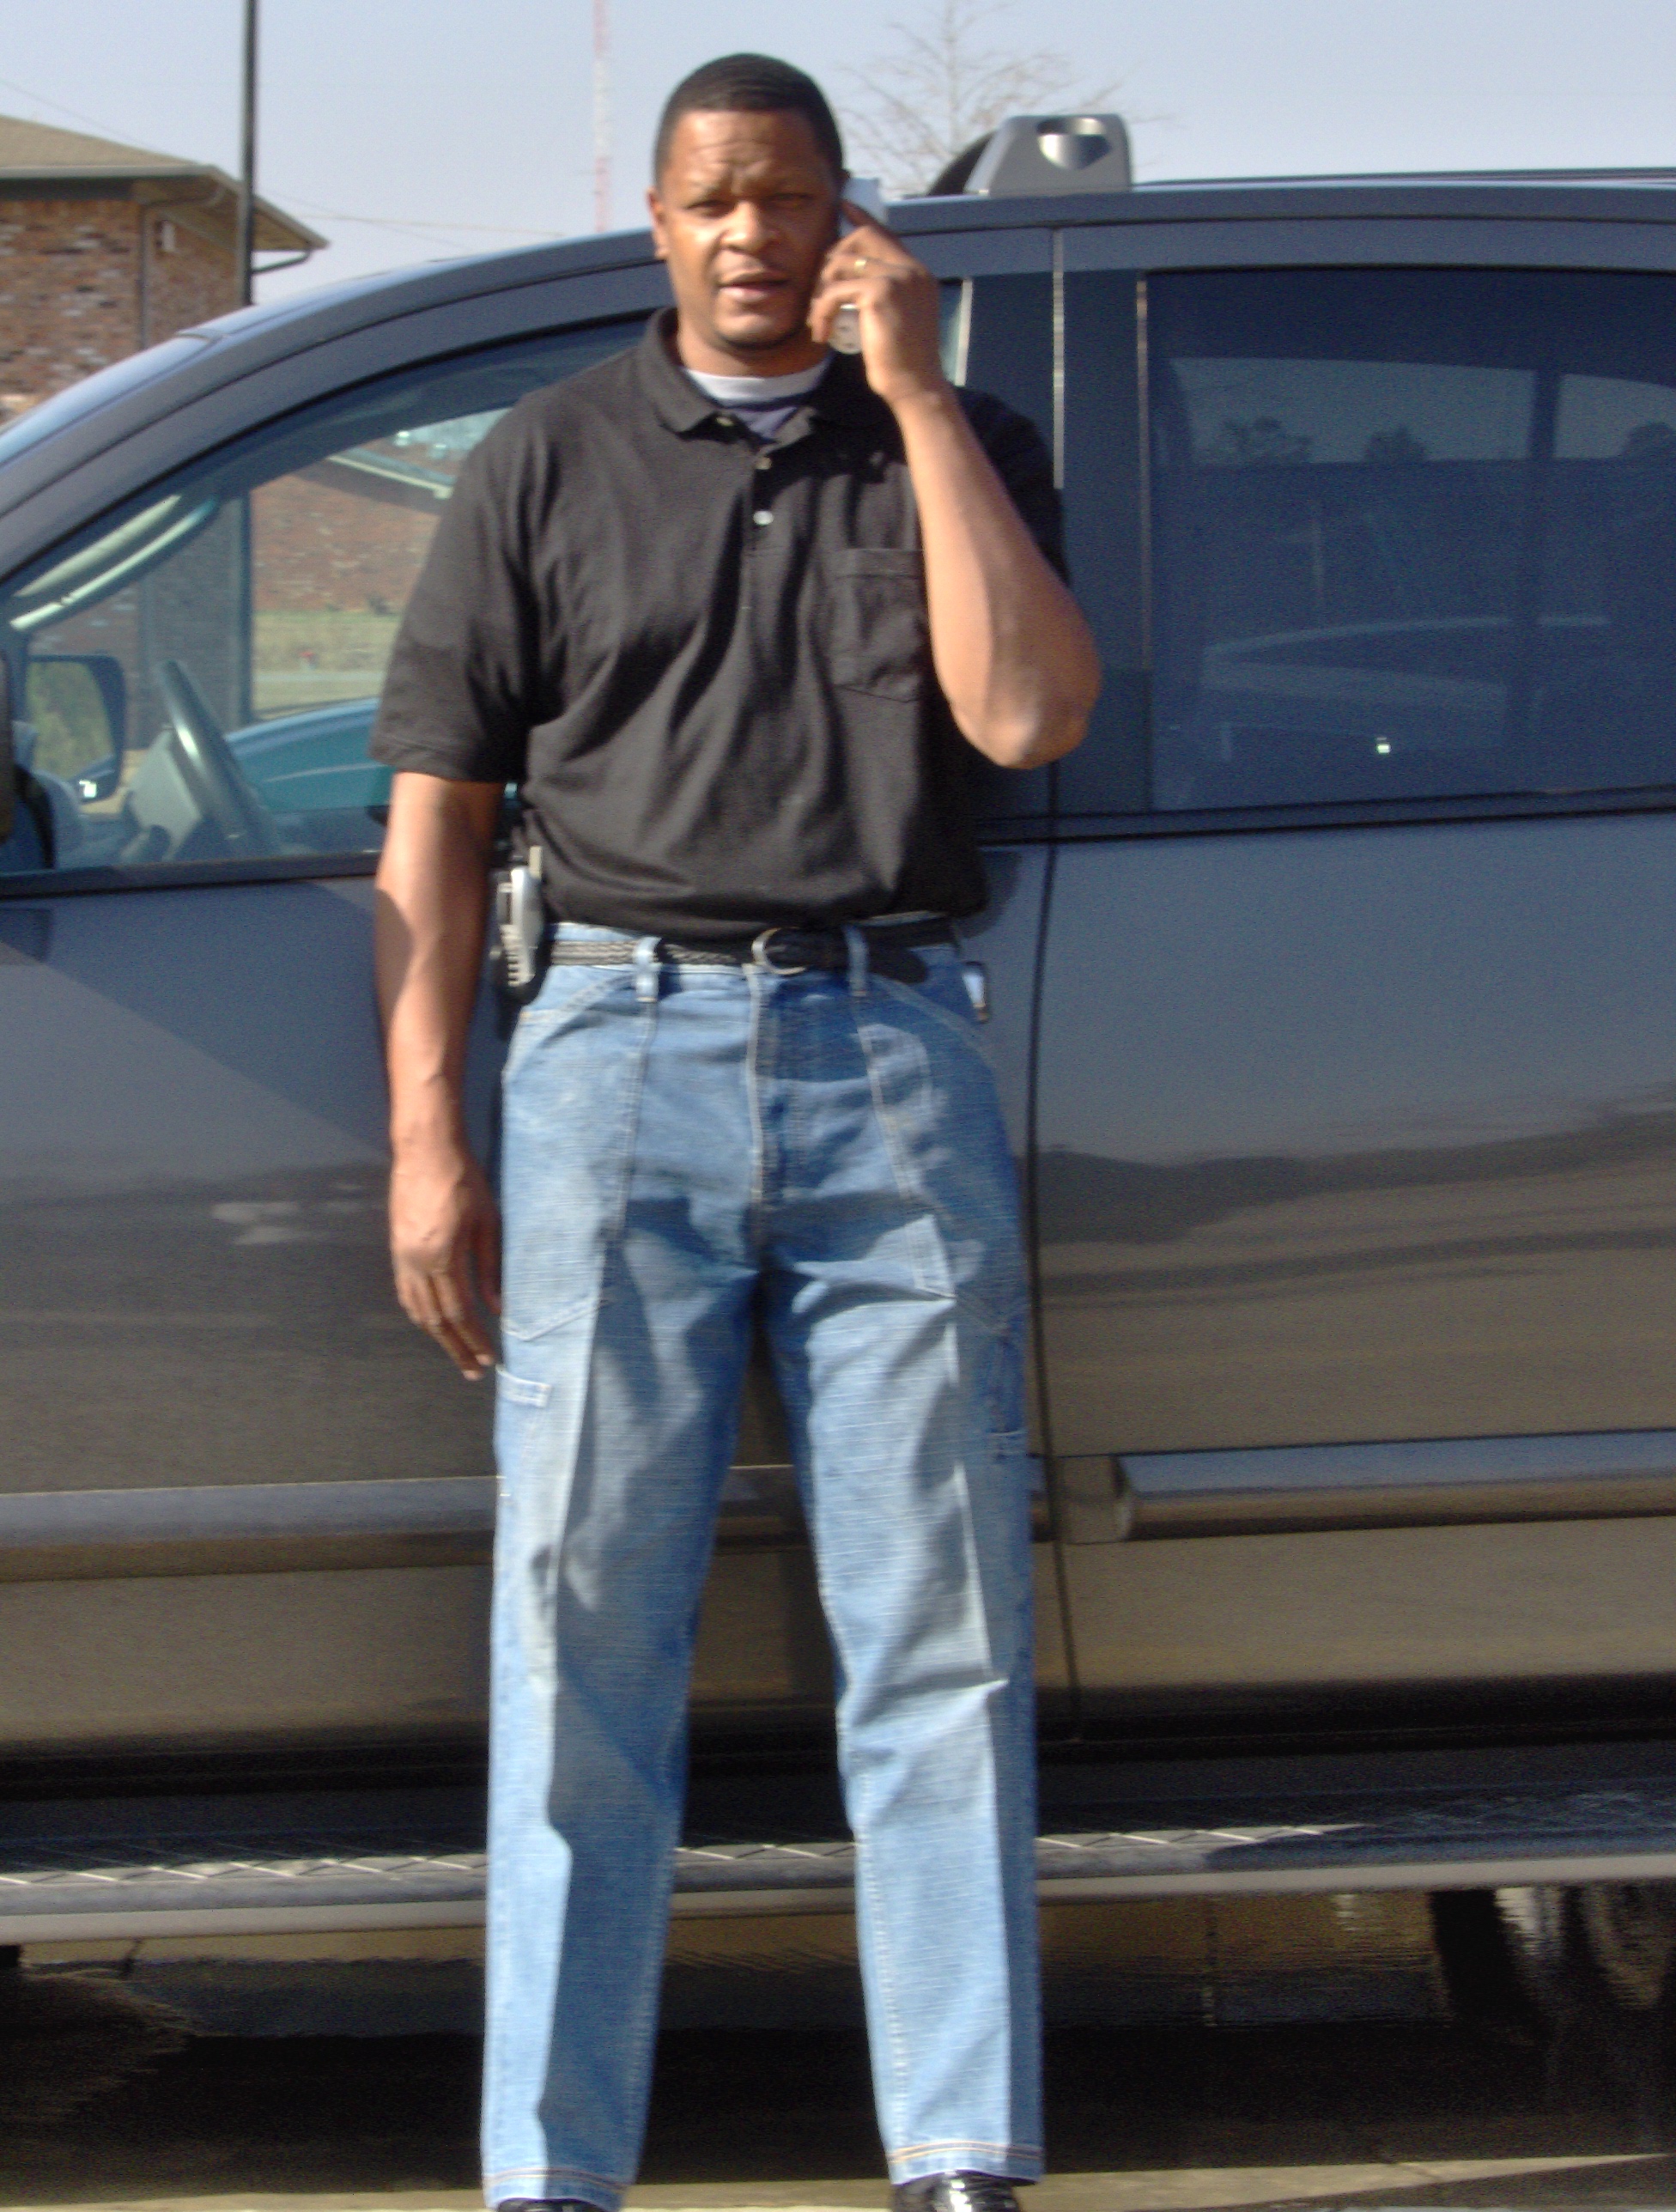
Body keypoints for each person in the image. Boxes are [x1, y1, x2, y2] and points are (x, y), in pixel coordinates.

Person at [370, 52, 1099, 2212]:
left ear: (846, 217)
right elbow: (434, 821)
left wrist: (921, 397)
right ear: (659, 224)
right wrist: (428, 1135)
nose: (750, 236)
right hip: (613, 1057)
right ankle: (551, 2168)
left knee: (940, 1631)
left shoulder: (959, 444)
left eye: (787, 197)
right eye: (711, 200)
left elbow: (1028, 712)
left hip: (891, 1051)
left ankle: (961, 2148)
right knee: (581, 1638)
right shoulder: (545, 459)